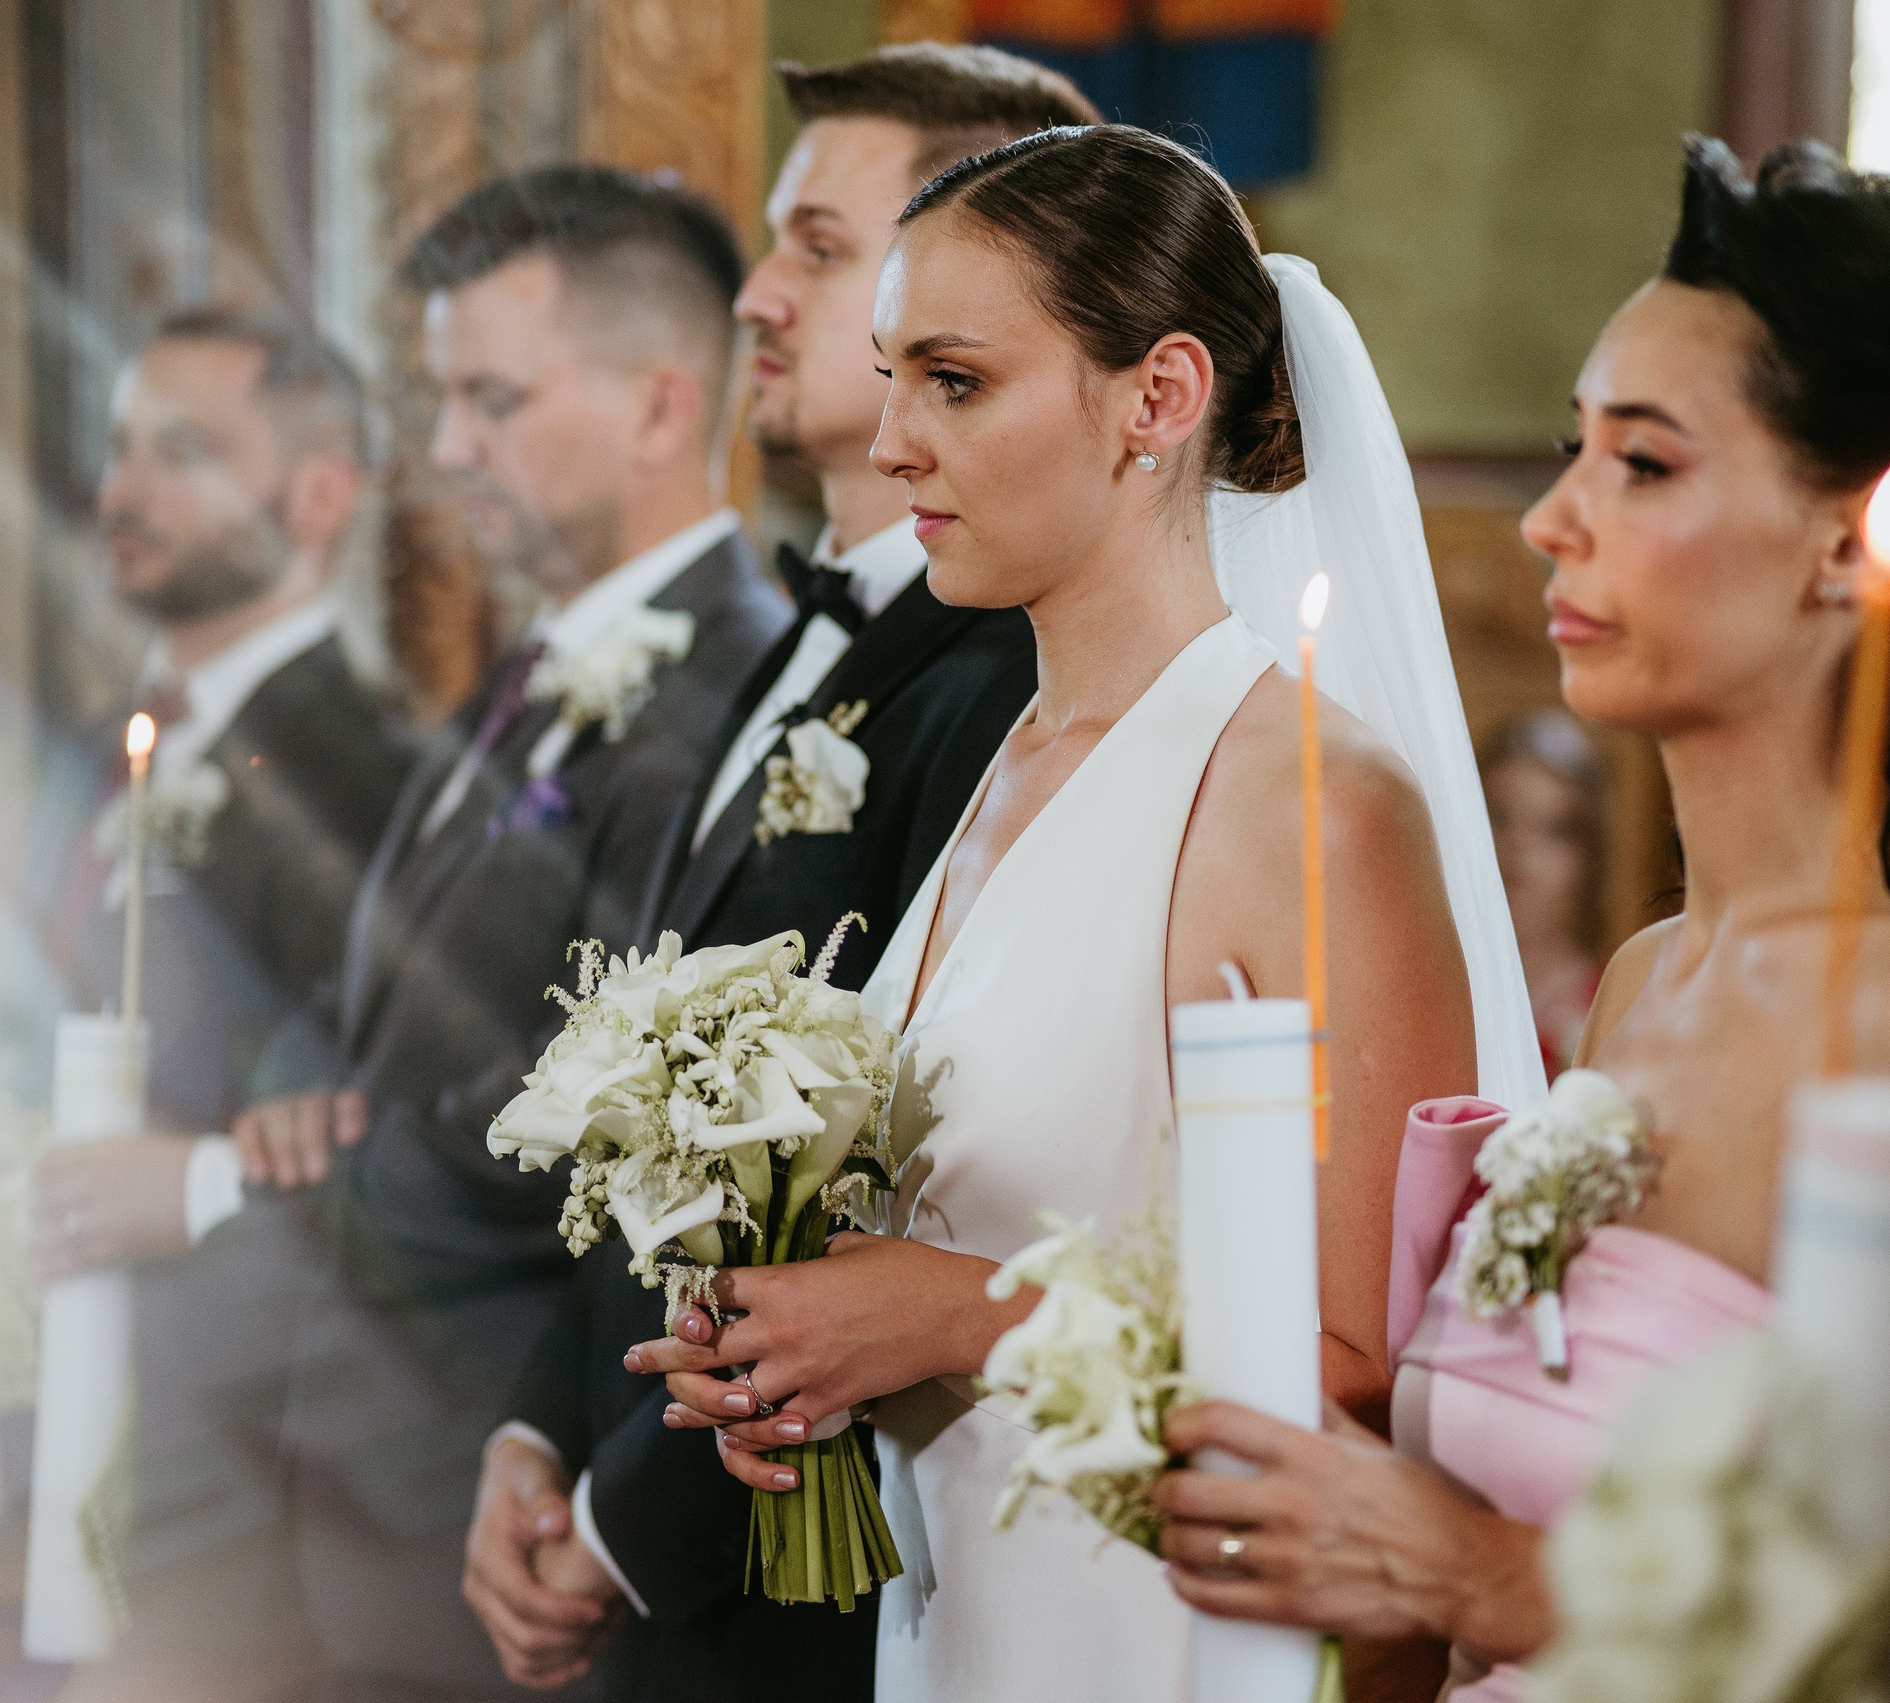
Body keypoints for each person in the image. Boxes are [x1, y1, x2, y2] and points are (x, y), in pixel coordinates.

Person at [1151, 140, 1890, 1702]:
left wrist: (1467, 1569)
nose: (1553, 518)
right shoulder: (1643, 981)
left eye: (1646, 462)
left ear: (1851, 536)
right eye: (1574, 448)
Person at [628, 124, 1545, 1700]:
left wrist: (944, 1315)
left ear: (1160, 397)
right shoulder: (1008, 759)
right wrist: (792, 1330)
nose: (893, 439)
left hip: (1173, 1641)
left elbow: (1374, 1378)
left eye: (957, 380)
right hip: (955, 1622)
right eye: (890, 375)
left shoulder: (1309, 798)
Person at [461, 45, 1097, 1701]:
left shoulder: (1003, 687)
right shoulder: (802, 648)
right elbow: (643, 1122)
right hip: (647, 1520)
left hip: (791, 1589)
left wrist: (619, 1526)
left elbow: (893, 1194)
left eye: (818, 248)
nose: (754, 293)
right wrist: (536, 1421)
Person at [238, 166, 789, 1703]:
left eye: (493, 398)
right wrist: (296, 1068)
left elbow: (590, 1118)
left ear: (661, 405)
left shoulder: (726, 694)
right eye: (441, 398)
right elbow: (380, 972)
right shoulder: (536, 663)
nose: (446, 449)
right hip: (360, 1464)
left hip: (503, 1480)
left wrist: (243, 1177)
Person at [0, 309, 417, 1691]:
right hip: (33, 1419)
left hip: (240, 1465)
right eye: (120, 448)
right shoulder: (78, 752)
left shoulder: (383, 778)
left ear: (321, 494)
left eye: (180, 452)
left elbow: (363, 1131)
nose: (118, 490)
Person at [1479, 709, 1605, 1077]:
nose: (1520, 853)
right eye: (1499, 818)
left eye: (1554, 830)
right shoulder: (1433, 991)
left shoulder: (1614, 1011)